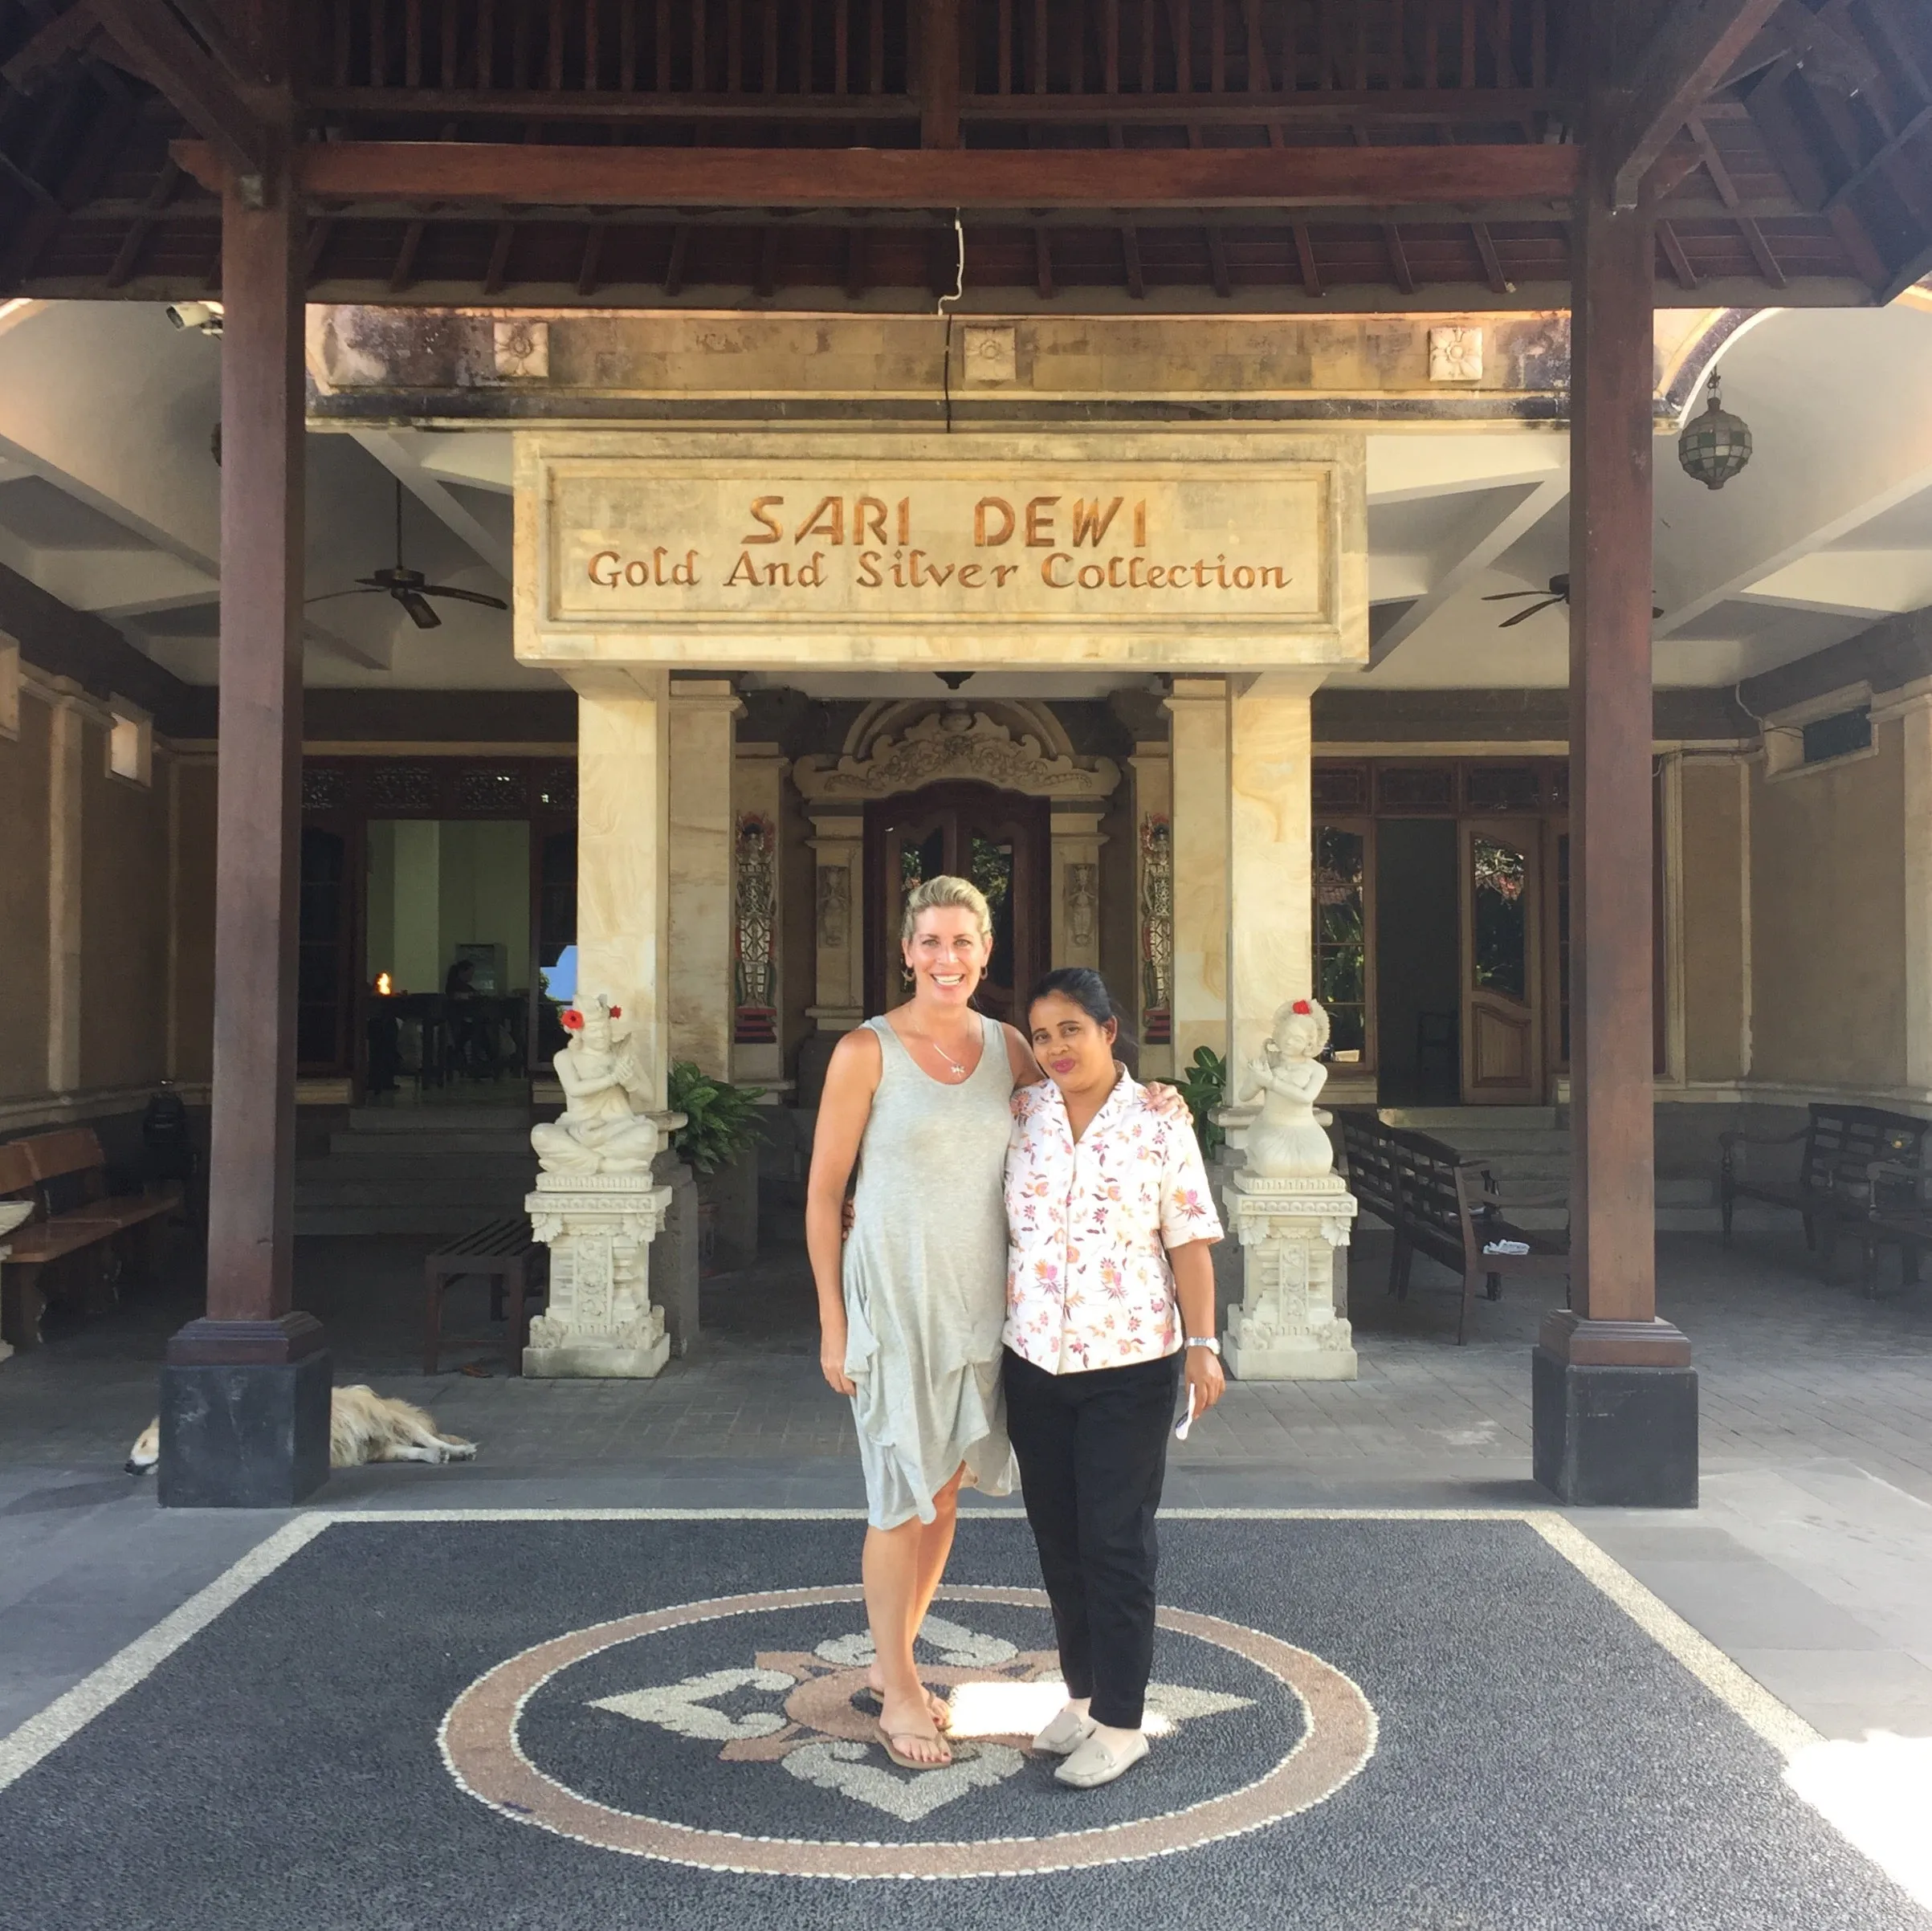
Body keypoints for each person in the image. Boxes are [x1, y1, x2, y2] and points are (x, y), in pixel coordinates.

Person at [806, 874, 1034, 1770]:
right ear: (906, 950)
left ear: (986, 951)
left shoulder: (1009, 1045)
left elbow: (1075, 1117)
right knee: (901, 1490)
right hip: (894, 1299)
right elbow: (826, 1194)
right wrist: (832, 1321)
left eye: (964, 941)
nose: (948, 958)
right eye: (931, 941)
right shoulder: (866, 1050)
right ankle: (900, 1686)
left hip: (981, 1301)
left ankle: (889, 1657)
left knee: (944, 1489)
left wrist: (1153, 1100)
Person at [1002, 966, 1225, 1790]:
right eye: (1044, 1032)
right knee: (1058, 1535)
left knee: (1115, 1538)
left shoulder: (1158, 1121)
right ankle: (1085, 1693)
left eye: (1072, 1028)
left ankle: (1124, 1721)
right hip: (1032, 1358)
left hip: (1129, 1363)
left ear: (1109, 1029)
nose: (1058, 1045)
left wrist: (1204, 1342)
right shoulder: (1021, 1113)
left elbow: (1189, 1239)